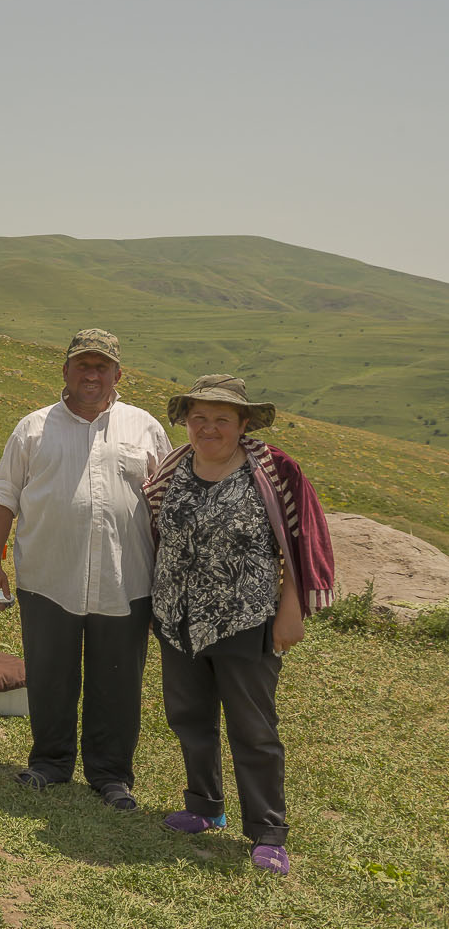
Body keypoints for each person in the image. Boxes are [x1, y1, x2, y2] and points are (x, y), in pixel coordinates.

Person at [143, 374, 334, 875]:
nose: (208, 428)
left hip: (245, 619)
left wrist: (292, 605)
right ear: (185, 420)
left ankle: (268, 832)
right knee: (189, 717)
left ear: (243, 423)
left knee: (253, 729)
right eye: (198, 417)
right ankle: (204, 807)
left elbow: (298, 537)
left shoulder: (272, 472)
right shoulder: (173, 467)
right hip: (177, 617)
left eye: (221, 419)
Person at [0, 329, 172, 809]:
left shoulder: (144, 428)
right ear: (65, 371)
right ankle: (50, 762)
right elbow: (4, 496)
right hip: (48, 577)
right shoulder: (33, 428)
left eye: (101, 366)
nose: (92, 374)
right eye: (83, 365)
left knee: (119, 681)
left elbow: (169, 503)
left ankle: (111, 776)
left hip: (125, 580)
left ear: (118, 374)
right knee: (50, 675)